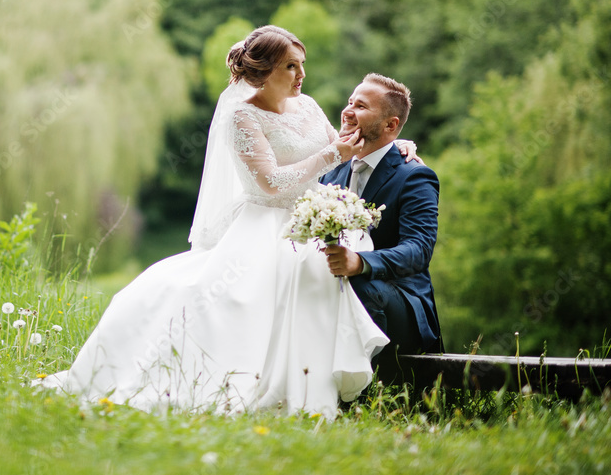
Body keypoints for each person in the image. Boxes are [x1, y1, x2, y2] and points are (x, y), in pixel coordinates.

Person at [36, 26, 417, 417]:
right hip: (265, 224)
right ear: (263, 70)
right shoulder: (241, 117)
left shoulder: (308, 106)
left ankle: (315, 385)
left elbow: (345, 141)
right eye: (290, 66)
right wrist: (328, 156)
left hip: (308, 223)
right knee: (236, 298)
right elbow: (269, 182)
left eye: (302, 64)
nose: (301, 74)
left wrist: (394, 144)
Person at [320, 74, 443, 383]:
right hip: (333, 286)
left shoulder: (414, 176)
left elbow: (419, 250)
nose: (348, 111)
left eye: (360, 106)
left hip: (400, 301)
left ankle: (364, 392)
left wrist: (361, 263)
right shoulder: (330, 172)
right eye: (350, 102)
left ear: (391, 125)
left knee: (357, 285)